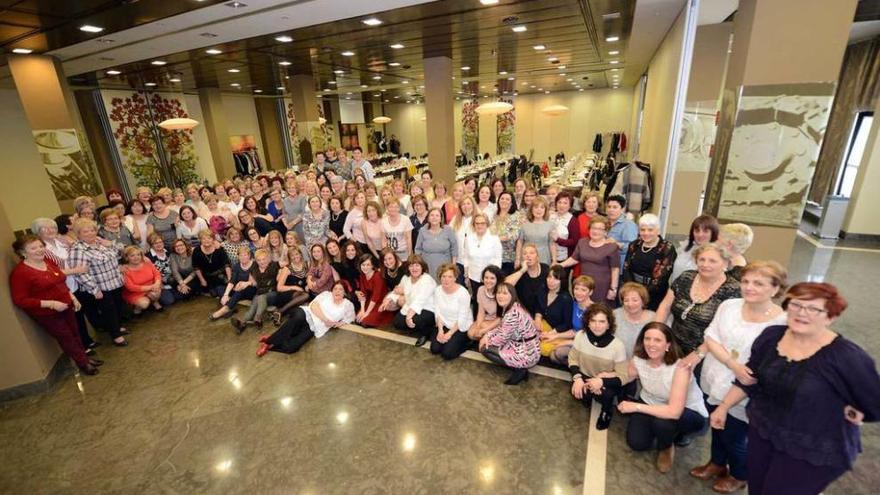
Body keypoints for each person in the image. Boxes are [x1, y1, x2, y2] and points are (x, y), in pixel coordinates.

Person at [713, 283, 880, 494]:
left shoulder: (845, 356)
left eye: (814, 309)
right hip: (763, 431)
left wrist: (859, 410)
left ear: (831, 316)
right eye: (796, 305)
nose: (802, 313)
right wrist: (724, 406)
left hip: (811, 447)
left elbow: (875, 403)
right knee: (757, 489)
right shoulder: (772, 336)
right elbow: (751, 375)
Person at [689, 261, 788, 493]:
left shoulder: (781, 322)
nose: (749, 287)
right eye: (745, 281)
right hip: (714, 377)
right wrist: (731, 363)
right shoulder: (729, 305)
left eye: (758, 283)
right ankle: (716, 463)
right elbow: (710, 336)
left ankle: (739, 474)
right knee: (717, 425)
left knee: (735, 436)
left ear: (775, 289)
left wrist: (735, 370)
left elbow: (767, 366)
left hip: (743, 390)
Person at [617, 322, 709, 473]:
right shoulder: (638, 360)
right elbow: (628, 376)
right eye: (647, 339)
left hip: (686, 412)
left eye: (657, 340)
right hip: (651, 401)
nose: (651, 344)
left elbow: (674, 412)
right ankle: (663, 431)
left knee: (663, 423)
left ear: (668, 345)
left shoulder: (680, 368)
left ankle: (666, 447)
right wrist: (605, 377)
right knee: (637, 443)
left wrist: (635, 407)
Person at [10, 236, 100, 375]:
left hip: (66, 305)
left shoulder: (47, 261)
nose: (39, 250)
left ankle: (84, 357)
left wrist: (72, 297)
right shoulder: (21, 273)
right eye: (33, 248)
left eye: (41, 246)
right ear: (22, 252)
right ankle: (82, 363)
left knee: (75, 333)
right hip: (48, 313)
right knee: (67, 338)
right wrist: (51, 304)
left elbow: (60, 281)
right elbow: (20, 300)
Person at [655, 243, 741, 359]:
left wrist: (697, 355)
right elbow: (665, 306)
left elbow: (724, 332)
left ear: (725, 263)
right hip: (674, 346)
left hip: (707, 353)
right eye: (702, 259)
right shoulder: (686, 277)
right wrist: (656, 330)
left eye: (712, 261)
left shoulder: (733, 290)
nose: (705, 264)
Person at [68, 219, 128, 347]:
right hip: (100, 286)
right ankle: (116, 336)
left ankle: (117, 327)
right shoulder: (77, 249)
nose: (90, 233)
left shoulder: (100, 243)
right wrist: (94, 289)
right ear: (78, 234)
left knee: (118, 307)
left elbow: (118, 254)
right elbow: (80, 273)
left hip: (115, 282)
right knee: (108, 311)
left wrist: (110, 244)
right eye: (85, 231)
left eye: (92, 230)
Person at [568, 304, 628, 430]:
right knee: (577, 393)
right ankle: (589, 394)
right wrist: (577, 378)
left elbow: (623, 376)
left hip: (606, 380)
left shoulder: (618, 346)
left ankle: (606, 411)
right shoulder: (580, 335)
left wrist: (601, 381)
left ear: (608, 324)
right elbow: (573, 359)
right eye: (593, 321)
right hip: (585, 376)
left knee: (606, 395)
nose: (597, 325)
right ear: (588, 323)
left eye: (602, 321)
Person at [257, 281, 355, 357]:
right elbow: (313, 306)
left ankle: (275, 337)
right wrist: (326, 320)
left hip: (315, 327)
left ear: (345, 292)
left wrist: (339, 323)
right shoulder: (326, 294)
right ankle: (268, 343)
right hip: (307, 313)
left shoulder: (348, 305)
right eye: (335, 289)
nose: (337, 291)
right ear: (332, 290)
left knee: (291, 348)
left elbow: (350, 317)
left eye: (340, 289)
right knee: (298, 317)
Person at [479, 282, 540, 385]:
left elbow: (502, 337)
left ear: (512, 295)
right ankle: (519, 366)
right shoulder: (515, 307)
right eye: (498, 293)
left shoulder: (512, 313)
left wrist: (486, 341)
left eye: (504, 293)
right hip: (527, 346)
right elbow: (503, 329)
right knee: (488, 342)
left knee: (485, 349)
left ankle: (520, 368)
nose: (500, 296)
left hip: (527, 353)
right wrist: (487, 335)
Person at [558, 216, 620, 305]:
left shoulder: (612, 247)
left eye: (600, 229)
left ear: (605, 232)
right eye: (593, 227)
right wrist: (560, 265)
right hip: (583, 286)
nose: (595, 231)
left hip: (602, 287)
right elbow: (574, 258)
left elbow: (615, 269)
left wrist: (613, 289)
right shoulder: (582, 242)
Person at [622, 213, 677, 311]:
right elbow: (626, 268)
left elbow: (662, 278)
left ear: (658, 231)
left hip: (655, 295)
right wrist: (632, 290)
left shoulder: (667, 248)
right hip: (632, 293)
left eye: (650, 230)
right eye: (643, 230)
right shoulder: (634, 245)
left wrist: (641, 294)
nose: (646, 233)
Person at [388, 255, 437, 347]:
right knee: (397, 323)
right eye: (411, 266)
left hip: (427, 308)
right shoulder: (406, 278)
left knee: (416, 320)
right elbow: (396, 290)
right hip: (411, 307)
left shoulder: (427, 279)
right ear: (408, 268)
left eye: (417, 265)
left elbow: (420, 300)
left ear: (422, 267)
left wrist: (408, 317)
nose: (414, 268)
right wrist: (387, 299)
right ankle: (415, 327)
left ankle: (426, 333)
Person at [545, 275, 595, 364]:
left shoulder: (594, 310)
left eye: (583, 290)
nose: (578, 293)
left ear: (590, 292)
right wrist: (554, 335)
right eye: (576, 289)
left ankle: (585, 366)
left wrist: (566, 342)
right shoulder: (574, 305)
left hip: (588, 344)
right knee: (553, 356)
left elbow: (588, 337)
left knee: (558, 353)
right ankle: (577, 365)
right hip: (575, 339)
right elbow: (574, 331)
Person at [429, 264, 474, 360]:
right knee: (435, 349)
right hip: (445, 323)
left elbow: (462, 318)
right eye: (443, 276)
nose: (446, 279)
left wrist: (449, 334)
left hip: (459, 326)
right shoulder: (437, 290)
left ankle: (468, 342)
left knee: (447, 354)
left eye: (450, 276)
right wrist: (440, 330)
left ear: (455, 278)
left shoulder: (463, 293)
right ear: (440, 277)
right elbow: (438, 312)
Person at [231, 249, 278, 333]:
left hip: (272, 293)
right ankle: (242, 322)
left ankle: (258, 317)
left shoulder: (274, 266)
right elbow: (253, 282)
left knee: (261, 296)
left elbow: (285, 265)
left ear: (268, 259)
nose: (262, 262)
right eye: (259, 260)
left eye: (263, 259)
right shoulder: (254, 269)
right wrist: (245, 283)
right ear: (256, 261)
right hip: (260, 293)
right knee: (252, 308)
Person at [537, 265, 574, 358]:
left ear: (562, 281)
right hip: (544, 326)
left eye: (556, 278)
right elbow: (538, 308)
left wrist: (550, 334)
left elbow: (566, 324)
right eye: (549, 277)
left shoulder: (566, 299)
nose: (551, 281)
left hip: (557, 331)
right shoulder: (542, 291)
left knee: (542, 348)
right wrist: (537, 318)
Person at [210, 247, 256, 321]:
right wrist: (226, 295)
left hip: (250, 289)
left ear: (249, 255)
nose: (243, 257)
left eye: (245, 255)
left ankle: (225, 309)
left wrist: (246, 283)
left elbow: (257, 282)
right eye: (240, 255)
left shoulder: (255, 265)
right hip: (237, 288)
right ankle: (230, 307)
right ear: (238, 256)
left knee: (240, 290)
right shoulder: (236, 266)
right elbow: (232, 281)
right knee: (220, 288)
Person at [269, 246, 311, 326]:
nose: (295, 257)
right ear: (289, 258)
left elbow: (309, 277)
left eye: (296, 254)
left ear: (301, 254)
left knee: (305, 300)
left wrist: (308, 284)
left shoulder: (306, 264)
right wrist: (294, 287)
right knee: (305, 296)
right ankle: (280, 311)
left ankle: (279, 313)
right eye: (292, 255)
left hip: (299, 294)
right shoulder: (287, 269)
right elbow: (279, 287)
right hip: (286, 294)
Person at [670, 214, 719, 284]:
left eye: (705, 231)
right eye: (697, 231)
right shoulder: (685, 248)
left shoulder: (717, 255)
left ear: (713, 233)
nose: (700, 234)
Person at [505, 243, 549, 320]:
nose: (528, 256)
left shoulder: (545, 269)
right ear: (522, 258)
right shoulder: (520, 271)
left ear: (537, 257)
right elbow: (504, 285)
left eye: (532, 253)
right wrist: (522, 271)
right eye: (525, 254)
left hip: (543, 312)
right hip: (523, 314)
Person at [461, 212, 502, 295]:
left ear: (487, 224)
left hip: (490, 279)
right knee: (476, 302)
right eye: (477, 223)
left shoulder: (494, 239)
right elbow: (465, 257)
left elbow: (498, 259)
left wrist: (493, 276)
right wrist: (466, 275)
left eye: (482, 223)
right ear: (473, 225)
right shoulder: (468, 239)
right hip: (473, 277)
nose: (480, 226)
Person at [613, 282, 655, 360]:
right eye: (626, 300)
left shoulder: (654, 318)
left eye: (635, 300)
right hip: (619, 363)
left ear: (643, 301)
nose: (630, 304)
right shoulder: (615, 315)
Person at [414, 207, 457, 282]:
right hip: (428, 267)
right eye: (432, 215)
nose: (434, 218)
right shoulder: (423, 230)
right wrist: (420, 266)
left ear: (441, 218)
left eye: (437, 216)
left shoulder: (448, 230)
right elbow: (418, 249)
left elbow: (454, 247)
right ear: (428, 218)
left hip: (445, 267)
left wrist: (453, 266)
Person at [121, 246, 168, 312]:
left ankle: (155, 302)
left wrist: (157, 283)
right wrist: (151, 287)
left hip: (152, 288)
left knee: (156, 292)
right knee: (144, 304)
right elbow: (131, 287)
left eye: (138, 254)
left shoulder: (147, 263)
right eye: (132, 255)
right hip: (135, 293)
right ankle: (137, 310)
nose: (136, 257)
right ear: (127, 257)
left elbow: (157, 274)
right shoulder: (125, 270)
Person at [355, 255, 394, 328]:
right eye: (363, 265)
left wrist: (366, 313)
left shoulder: (377, 276)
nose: (365, 267)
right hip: (370, 300)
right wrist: (362, 310)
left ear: (372, 265)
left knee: (365, 322)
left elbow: (376, 296)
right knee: (358, 319)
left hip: (380, 301)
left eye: (368, 265)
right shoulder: (362, 275)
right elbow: (363, 293)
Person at [467, 265, 504, 342]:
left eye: (492, 278)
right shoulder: (481, 289)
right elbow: (481, 312)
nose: (488, 281)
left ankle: (489, 339)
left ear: (498, 279)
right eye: (486, 278)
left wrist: (483, 330)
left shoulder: (501, 292)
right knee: (471, 333)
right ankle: (488, 339)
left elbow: (500, 318)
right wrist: (478, 327)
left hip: (501, 321)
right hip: (488, 318)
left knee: (482, 329)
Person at [516, 196, 557, 266]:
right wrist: (517, 259)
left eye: (542, 207)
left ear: (545, 210)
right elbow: (520, 242)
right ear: (531, 209)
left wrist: (554, 260)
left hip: (544, 258)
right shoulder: (524, 224)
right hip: (527, 257)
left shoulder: (551, 225)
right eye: (536, 207)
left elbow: (552, 244)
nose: (539, 210)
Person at [192, 230, 231, 297]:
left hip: (219, 275)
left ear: (213, 239)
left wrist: (230, 278)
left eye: (209, 238)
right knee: (213, 294)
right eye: (203, 238)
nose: (206, 240)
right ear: (200, 240)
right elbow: (196, 267)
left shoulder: (219, 248)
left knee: (221, 292)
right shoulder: (197, 250)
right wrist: (202, 280)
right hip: (206, 276)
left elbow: (226, 264)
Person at [492, 191, 521, 275]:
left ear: (512, 203)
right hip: (494, 256)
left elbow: (513, 235)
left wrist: (493, 239)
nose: (504, 201)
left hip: (509, 258)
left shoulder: (516, 216)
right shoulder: (495, 215)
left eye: (507, 199)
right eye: (502, 198)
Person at [606, 194, 638, 270]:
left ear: (622, 209)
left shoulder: (628, 225)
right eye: (609, 207)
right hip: (605, 266)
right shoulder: (604, 222)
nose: (611, 210)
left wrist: (617, 244)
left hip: (620, 268)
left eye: (615, 207)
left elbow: (633, 248)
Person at [552, 192, 580, 279]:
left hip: (564, 258)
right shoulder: (550, 216)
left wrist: (558, 240)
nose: (561, 205)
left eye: (565, 203)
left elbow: (575, 241)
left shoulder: (572, 220)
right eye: (559, 202)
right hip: (548, 255)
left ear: (570, 206)